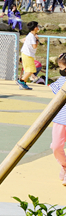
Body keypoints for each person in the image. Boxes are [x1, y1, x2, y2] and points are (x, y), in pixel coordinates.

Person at [47, 54, 66, 185]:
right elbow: (53, 89)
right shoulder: (62, 80)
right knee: (56, 146)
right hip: (61, 118)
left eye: (62, 67)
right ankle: (64, 165)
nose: (61, 70)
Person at [19, 21, 40, 90]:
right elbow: (34, 46)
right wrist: (37, 40)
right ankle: (21, 81)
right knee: (31, 69)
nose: (38, 27)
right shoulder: (32, 36)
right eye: (37, 26)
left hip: (27, 54)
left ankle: (23, 83)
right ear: (34, 28)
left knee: (28, 69)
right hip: (27, 54)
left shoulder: (31, 35)